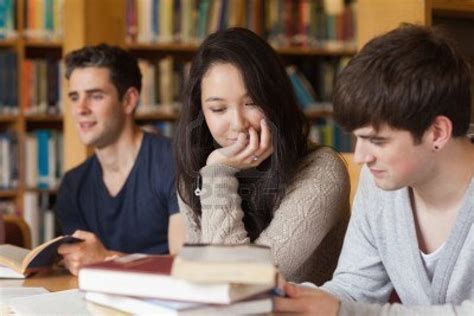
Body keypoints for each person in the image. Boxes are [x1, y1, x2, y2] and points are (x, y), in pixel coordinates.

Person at [274, 24, 474, 315]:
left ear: (437, 132)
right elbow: (354, 291)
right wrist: (291, 297)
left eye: (377, 141)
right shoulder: (381, 182)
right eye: (358, 137)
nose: (360, 157)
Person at [173, 27, 350, 284]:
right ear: (201, 112)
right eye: (218, 108)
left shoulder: (323, 170)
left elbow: (243, 282)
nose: (238, 123)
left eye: (252, 102)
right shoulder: (199, 169)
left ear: (275, 100)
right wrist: (216, 172)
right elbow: (206, 279)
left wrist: (219, 175)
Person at [55, 44, 185, 275]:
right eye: (74, 97)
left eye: (96, 96)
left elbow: (185, 266)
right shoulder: (72, 184)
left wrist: (107, 260)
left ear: (128, 101)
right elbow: (79, 261)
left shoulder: (175, 162)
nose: (80, 109)